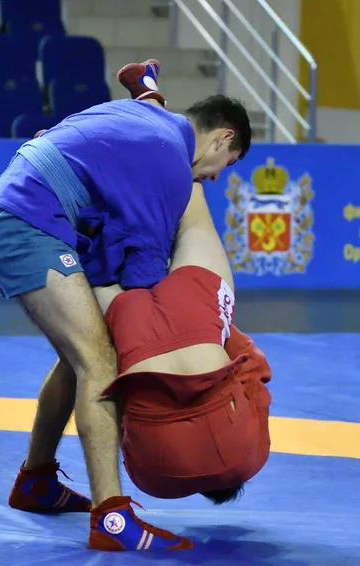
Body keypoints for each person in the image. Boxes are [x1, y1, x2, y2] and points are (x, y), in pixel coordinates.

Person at [0, 58, 252, 551]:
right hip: (26, 222)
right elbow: (142, 287)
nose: (209, 180)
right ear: (222, 139)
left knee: (77, 355)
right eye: (223, 168)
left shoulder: (153, 120)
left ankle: (36, 481)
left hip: (20, 209)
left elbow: (146, 102)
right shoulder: (169, 162)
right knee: (99, 361)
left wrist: (144, 84)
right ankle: (112, 519)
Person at [94, 182, 272, 509]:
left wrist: (221, 331)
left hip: (196, 316)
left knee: (194, 215)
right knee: (89, 255)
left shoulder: (251, 456)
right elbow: (119, 421)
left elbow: (253, 372)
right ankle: (69, 170)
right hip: (131, 333)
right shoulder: (153, 482)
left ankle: (187, 156)